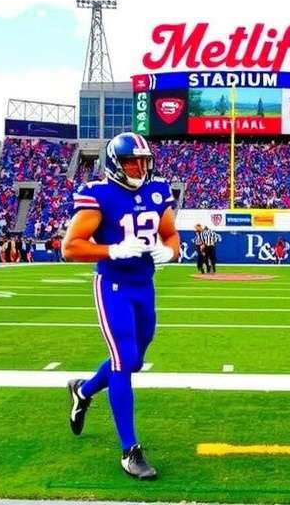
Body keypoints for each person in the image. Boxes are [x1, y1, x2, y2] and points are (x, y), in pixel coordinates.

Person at [62, 132, 180, 480]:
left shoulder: (158, 190)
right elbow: (71, 247)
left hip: (145, 285)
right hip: (113, 286)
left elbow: (171, 234)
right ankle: (130, 450)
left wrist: (171, 251)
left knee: (135, 360)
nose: (139, 168)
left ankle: (83, 390)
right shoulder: (99, 194)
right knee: (123, 360)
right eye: (131, 162)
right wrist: (110, 250)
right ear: (115, 164)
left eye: (143, 162)